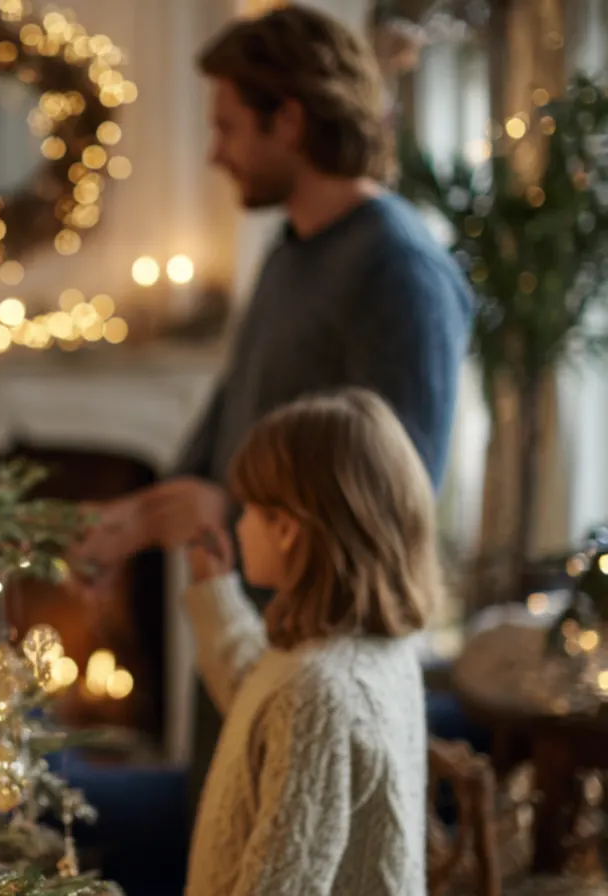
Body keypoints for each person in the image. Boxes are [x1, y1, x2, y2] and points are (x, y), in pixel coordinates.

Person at [71, 3, 473, 818]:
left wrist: (222, 505)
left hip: (319, 682)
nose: (215, 152)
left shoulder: (399, 270)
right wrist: (136, 518)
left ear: (289, 119)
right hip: (243, 648)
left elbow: (393, 501)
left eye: (227, 126)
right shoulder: (291, 252)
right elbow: (230, 419)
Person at [183, 388, 435, 896]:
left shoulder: (319, 691)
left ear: (288, 529)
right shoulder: (364, 651)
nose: (240, 523)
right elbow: (261, 701)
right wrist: (215, 591)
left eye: (250, 508)